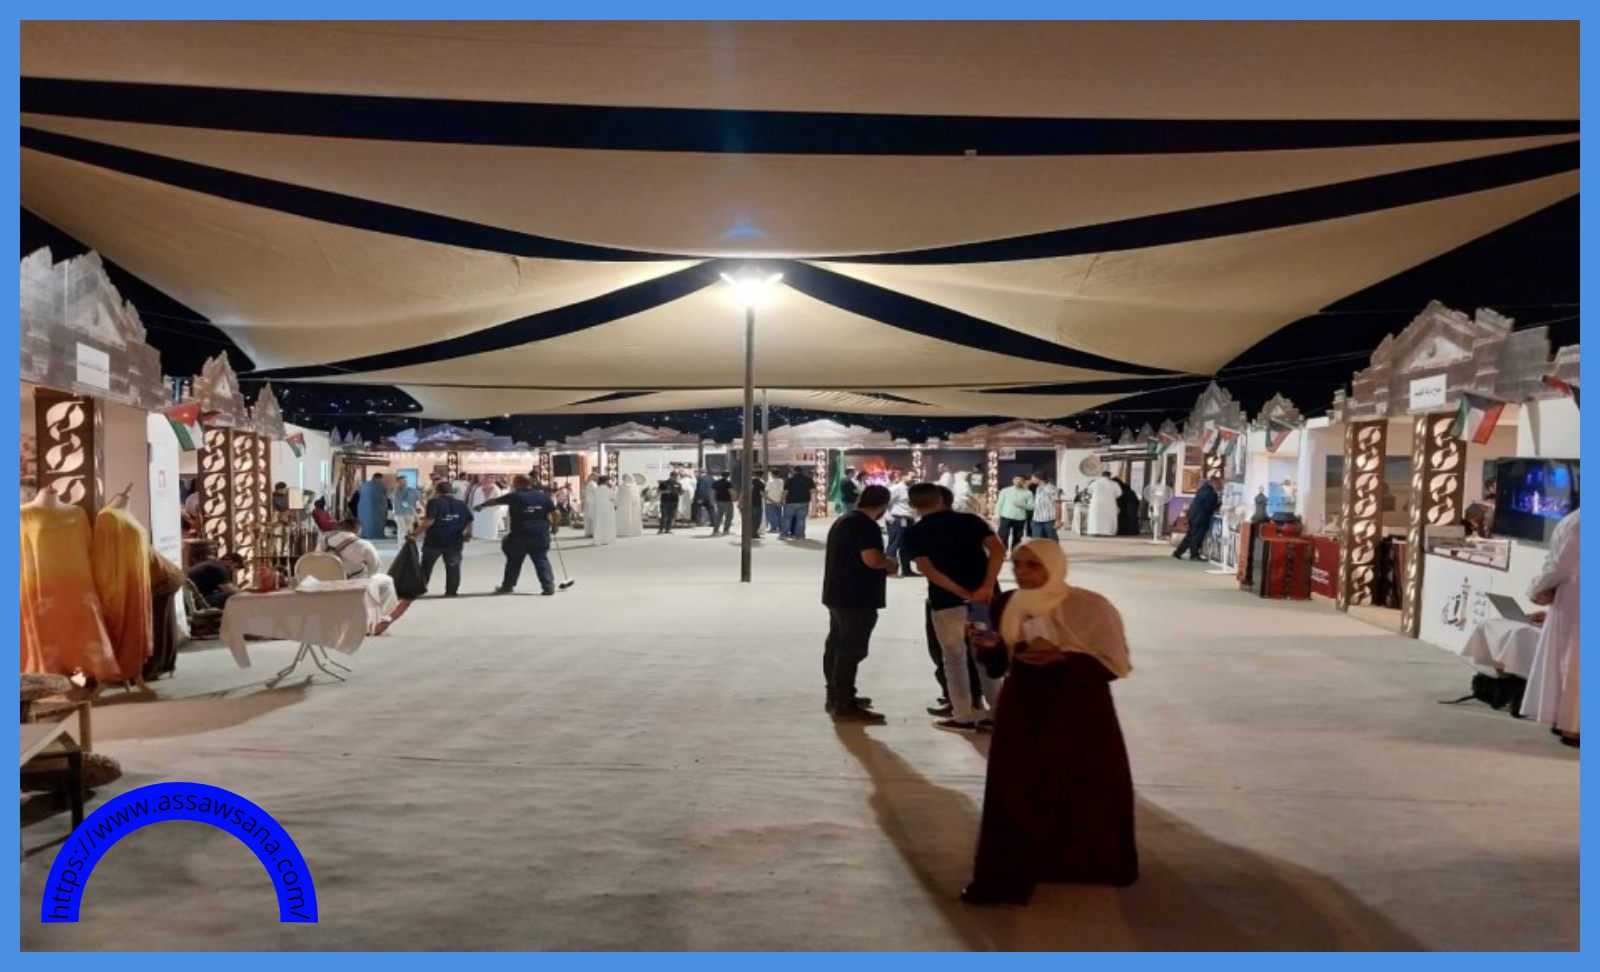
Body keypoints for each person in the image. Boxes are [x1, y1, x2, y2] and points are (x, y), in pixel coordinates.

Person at [963, 540, 1138, 904]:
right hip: (1024, 707)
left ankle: (1081, 863)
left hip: (1080, 711)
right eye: (1017, 564)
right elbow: (998, 666)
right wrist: (986, 647)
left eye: (1033, 565)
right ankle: (1008, 876)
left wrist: (1063, 660)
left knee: (1083, 787)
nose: (1022, 572)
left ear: (1055, 566)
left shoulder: (1089, 607)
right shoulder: (1007, 603)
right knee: (1016, 788)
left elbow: (1112, 666)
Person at [903, 482, 1006, 733]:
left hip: (946, 602)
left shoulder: (914, 533)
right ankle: (998, 714)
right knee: (986, 654)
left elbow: (927, 569)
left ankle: (962, 716)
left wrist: (960, 593)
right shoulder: (970, 521)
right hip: (983, 601)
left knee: (954, 658)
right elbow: (998, 549)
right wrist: (986, 587)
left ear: (913, 505)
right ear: (941, 499)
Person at [822, 484, 898, 723]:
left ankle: (836, 696)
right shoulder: (867, 526)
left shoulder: (843, 520)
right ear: (883, 505)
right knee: (851, 649)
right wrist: (889, 563)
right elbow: (872, 559)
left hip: (837, 593)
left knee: (836, 646)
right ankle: (844, 704)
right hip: (857, 596)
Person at [1523, 508, 1579, 746]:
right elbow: (1560, 565)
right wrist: (1541, 587)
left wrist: (1537, 588)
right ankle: (1570, 723)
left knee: (1571, 662)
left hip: (1574, 600)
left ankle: (1569, 723)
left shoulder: (1576, 520)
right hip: (1574, 599)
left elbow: (1558, 565)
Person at [477, 474, 559, 595]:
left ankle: (508, 586)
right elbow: (556, 513)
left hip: (520, 534)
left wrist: (481, 505)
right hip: (540, 534)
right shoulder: (543, 496)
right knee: (541, 559)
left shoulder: (515, 496)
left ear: (517, 483)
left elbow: (495, 501)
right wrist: (555, 527)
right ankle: (548, 586)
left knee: (514, 561)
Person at [418, 481, 472, 597]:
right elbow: (469, 521)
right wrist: (468, 534)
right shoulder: (461, 504)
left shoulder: (434, 502)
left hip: (434, 541)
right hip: (454, 541)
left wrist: (415, 533)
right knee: (453, 566)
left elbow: (429, 520)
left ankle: (421, 588)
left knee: (426, 566)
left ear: (437, 491)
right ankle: (451, 591)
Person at [1172, 474, 1222, 560]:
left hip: (1193, 516)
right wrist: (1218, 504)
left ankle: (1178, 552)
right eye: (1219, 484)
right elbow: (1209, 506)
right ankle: (1194, 554)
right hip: (1201, 518)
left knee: (1190, 536)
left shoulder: (1202, 490)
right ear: (1215, 483)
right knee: (1197, 536)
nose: (1220, 487)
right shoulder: (1211, 493)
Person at [885, 471, 917, 576]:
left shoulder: (912, 490)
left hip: (909, 520)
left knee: (906, 546)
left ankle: (906, 570)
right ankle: (891, 571)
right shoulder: (895, 489)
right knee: (894, 546)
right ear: (904, 477)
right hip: (897, 520)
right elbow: (886, 503)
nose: (914, 479)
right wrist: (889, 518)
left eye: (915, 477)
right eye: (912, 477)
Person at [994, 475, 1035, 552]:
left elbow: (1032, 506)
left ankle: (1015, 554)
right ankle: (1002, 553)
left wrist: (1023, 505)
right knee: (1002, 536)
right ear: (1013, 480)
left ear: (1024, 482)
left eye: (1020, 480)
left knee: (1017, 538)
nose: (1018, 481)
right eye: (1016, 479)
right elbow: (999, 503)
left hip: (1020, 518)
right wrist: (996, 515)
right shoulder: (1005, 491)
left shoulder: (1028, 493)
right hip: (1005, 516)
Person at [782, 465, 816, 540]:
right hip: (804, 502)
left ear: (794, 471)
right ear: (801, 471)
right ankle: (800, 536)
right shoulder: (809, 480)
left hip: (790, 502)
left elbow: (785, 492)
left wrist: (782, 500)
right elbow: (813, 493)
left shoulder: (789, 480)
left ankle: (784, 535)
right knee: (801, 520)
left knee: (787, 519)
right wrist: (813, 507)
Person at [1086, 471, 1121, 537]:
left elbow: (1089, 491)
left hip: (1097, 503)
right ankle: (1108, 532)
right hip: (1110, 503)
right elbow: (1119, 494)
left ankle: (1095, 531)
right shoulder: (1114, 484)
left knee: (1096, 517)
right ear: (1110, 476)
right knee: (1108, 518)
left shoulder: (1095, 483)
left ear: (1102, 475)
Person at [356, 472, 389, 539]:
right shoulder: (382, 485)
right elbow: (386, 494)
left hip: (363, 507)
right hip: (378, 507)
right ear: (380, 478)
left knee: (365, 521)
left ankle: (364, 534)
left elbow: (359, 493)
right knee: (378, 521)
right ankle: (377, 534)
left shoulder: (364, 484)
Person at [1029, 472, 1062, 539]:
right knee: (1037, 542)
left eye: (1033, 477)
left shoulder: (1051, 488)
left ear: (1039, 478)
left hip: (1049, 521)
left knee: (1051, 542)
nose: (1031, 479)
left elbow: (1058, 505)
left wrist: (1058, 520)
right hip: (1037, 520)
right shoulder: (1038, 488)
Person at [591, 476, 618, 546]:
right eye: (608, 480)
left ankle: (599, 539)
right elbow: (614, 497)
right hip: (608, 508)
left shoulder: (597, 489)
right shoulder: (607, 489)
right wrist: (613, 488)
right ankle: (607, 539)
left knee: (599, 524)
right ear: (606, 481)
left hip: (598, 509)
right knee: (608, 523)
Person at [764, 469, 786, 536]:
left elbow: (766, 493)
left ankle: (773, 528)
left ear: (772, 474)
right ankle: (780, 528)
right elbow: (783, 492)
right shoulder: (782, 482)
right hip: (779, 501)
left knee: (771, 516)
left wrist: (771, 501)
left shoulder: (769, 482)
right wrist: (781, 501)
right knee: (779, 515)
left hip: (770, 501)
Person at [582, 473, 599, 538]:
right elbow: (596, 491)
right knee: (592, 517)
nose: (597, 478)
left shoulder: (587, 483)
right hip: (592, 502)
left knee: (588, 518)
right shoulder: (592, 484)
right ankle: (592, 532)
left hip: (588, 502)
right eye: (596, 477)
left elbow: (583, 493)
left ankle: (589, 532)